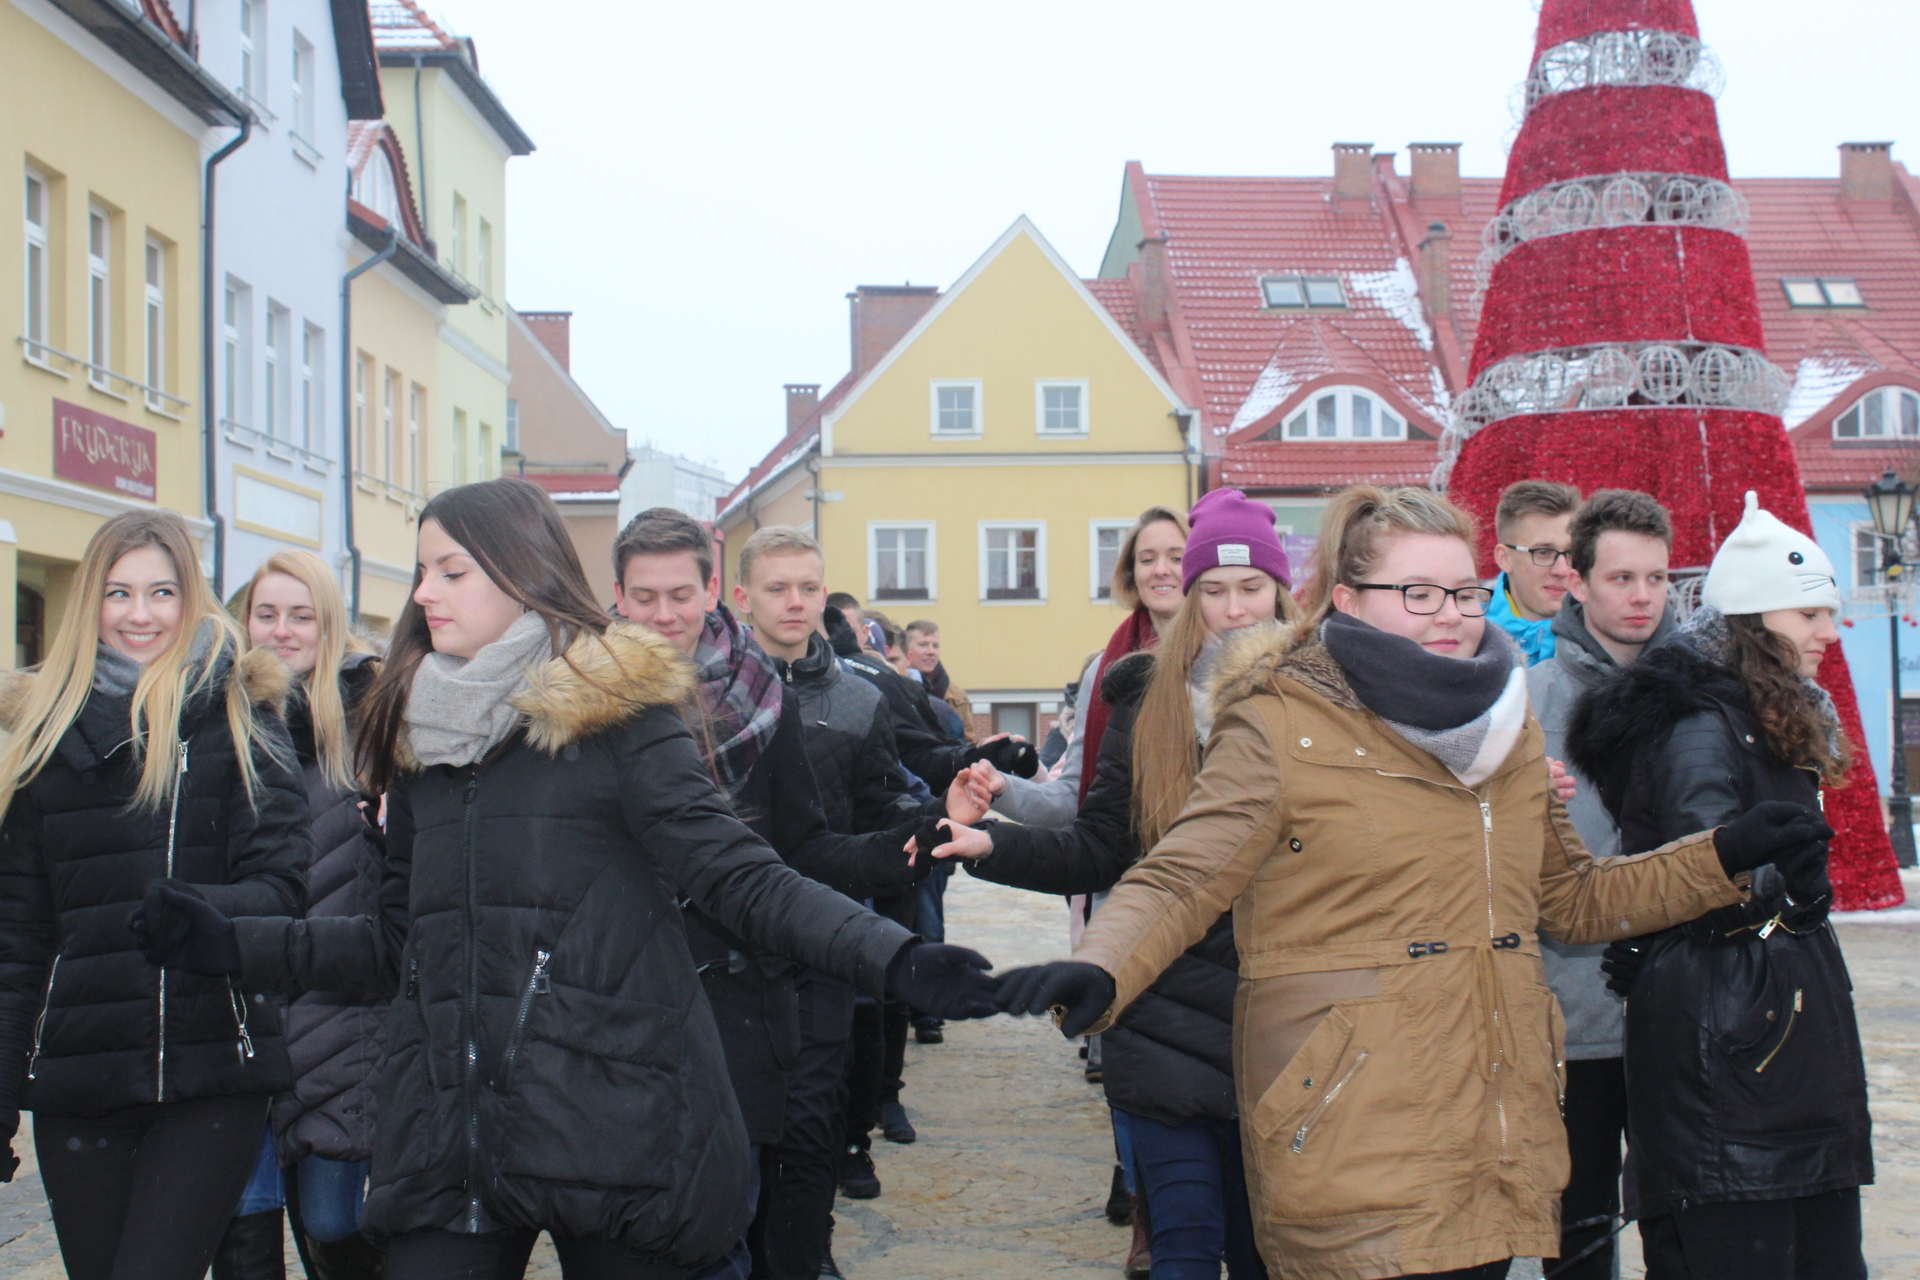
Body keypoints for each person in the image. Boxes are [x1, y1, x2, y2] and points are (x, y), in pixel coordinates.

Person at [135, 479, 999, 1277]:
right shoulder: (419, 738)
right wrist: (237, 944)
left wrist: (896, 957)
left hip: (612, 1121)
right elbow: (397, 946)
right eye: (424, 572)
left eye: (450, 571)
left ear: (521, 573)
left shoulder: (620, 716)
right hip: (455, 1136)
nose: (424, 593)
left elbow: (741, 874)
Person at [996, 484, 1832, 1280]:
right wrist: (1100, 967)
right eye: (1418, 594)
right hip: (1354, 1128)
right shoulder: (1279, 720)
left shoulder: (1505, 722)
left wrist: (1721, 856)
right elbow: (1182, 873)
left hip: (1492, 1124)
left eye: (1464, 594)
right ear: (1348, 600)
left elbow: (1573, 898)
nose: (1451, 616)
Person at [929, 487, 1293, 1280]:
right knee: (1182, 1251)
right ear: (1190, 598)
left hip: (1281, 1016)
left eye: (1252, 587)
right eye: (1215, 590)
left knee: (1266, 1255)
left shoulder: (1323, 699)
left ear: (1281, 592)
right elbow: (1099, 847)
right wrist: (988, 845)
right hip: (1162, 1005)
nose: (1235, 610)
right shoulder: (1144, 699)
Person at [1567, 491, 1873, 1280]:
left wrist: (1799, 894)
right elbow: (1700, 877)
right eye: (1810, 615)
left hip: (1773, 1035)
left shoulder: (1769, 713)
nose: (1828, 633)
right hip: (1734, 1043)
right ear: (1757, 621)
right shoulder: (1702, 722)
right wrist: (1782, 892)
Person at [0, 510, 309, 1280]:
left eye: (161, 592)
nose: (139, 614)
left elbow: (281, 891)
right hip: (79, 1079)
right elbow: (17, 940)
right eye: (119, 593)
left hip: (210, 1070)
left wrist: (203, 918)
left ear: (190, 598)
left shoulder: (240, 719)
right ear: (90, 604)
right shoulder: (45, 740)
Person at [728, 526, 982, 1279]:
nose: (795, 601)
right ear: (743, 598)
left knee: (812, 1125)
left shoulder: (858, 697)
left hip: (820, 941)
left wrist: (938, 816)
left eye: (808, 587)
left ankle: (808, 1258)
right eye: (777, 588)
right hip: (723, 948)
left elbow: (881, 805)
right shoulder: (706, 697)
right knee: (735, 1133)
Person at [1522, 491, 1674, 1280]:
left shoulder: (1703, 698)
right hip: (1571, 1020)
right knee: (1577, 1237)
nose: (1642, 596)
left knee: (1684, 1229)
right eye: (1621, 578)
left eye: (1657, 577)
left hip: (1680, 1014)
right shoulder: (1524, 702)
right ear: (1576, 583)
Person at [236, 552, 386, 1280]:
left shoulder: (374, 728)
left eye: (302, 616)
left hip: (343, 1024)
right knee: (251, 1232)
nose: (283, 631)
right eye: (267, 614)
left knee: (332, 1222)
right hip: (248, 1022)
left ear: (330, 627)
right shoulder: (221, 729)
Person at [1486, 480, 1581, 665]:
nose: (1562, 570)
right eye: (1543, 553)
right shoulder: (1470, 638)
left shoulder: (1610, 634)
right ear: (1504, 558)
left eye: (1571, 553)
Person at [901, 621, 974, 744]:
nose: (931, 651)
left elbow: (968, 741)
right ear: (907, 650)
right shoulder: (897, 687)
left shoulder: (957, 695)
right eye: (923, 645)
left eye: (935, 646)